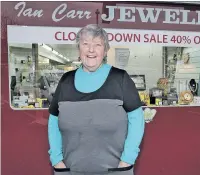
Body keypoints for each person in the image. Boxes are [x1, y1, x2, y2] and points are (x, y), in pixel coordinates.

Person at [48, 24, 145, 175]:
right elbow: (53, 120)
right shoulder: (66, 80)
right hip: (70, 170)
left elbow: (137, 119)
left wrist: (127, 161)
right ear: (78, 49)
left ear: (105, 50)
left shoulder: (120, 79)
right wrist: (57, 161)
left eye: (97, 45)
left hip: (115, 171)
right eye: (85, 44)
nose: (91, 50)